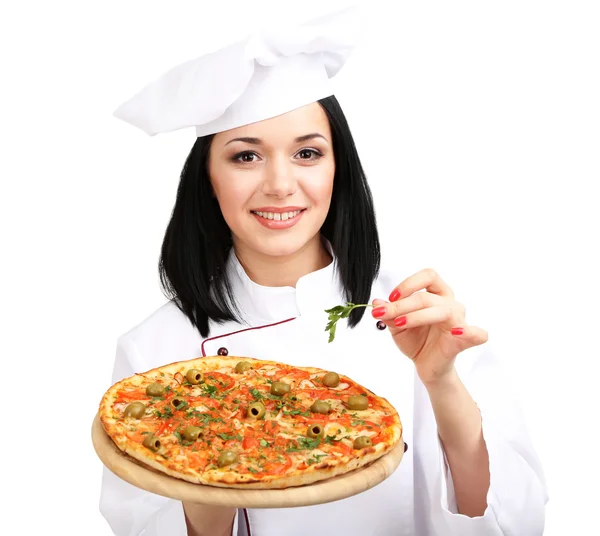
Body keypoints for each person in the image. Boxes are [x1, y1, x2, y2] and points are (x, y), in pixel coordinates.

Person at [99, 7, 548, 536]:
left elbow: (516, 526)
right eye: (246, 157)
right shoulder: (152, 355)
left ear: (339, 167)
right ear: (207, 178)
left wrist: (440, 380)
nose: (280, 184)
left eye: (307, 153)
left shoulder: (417, 313)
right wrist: (209, 450)